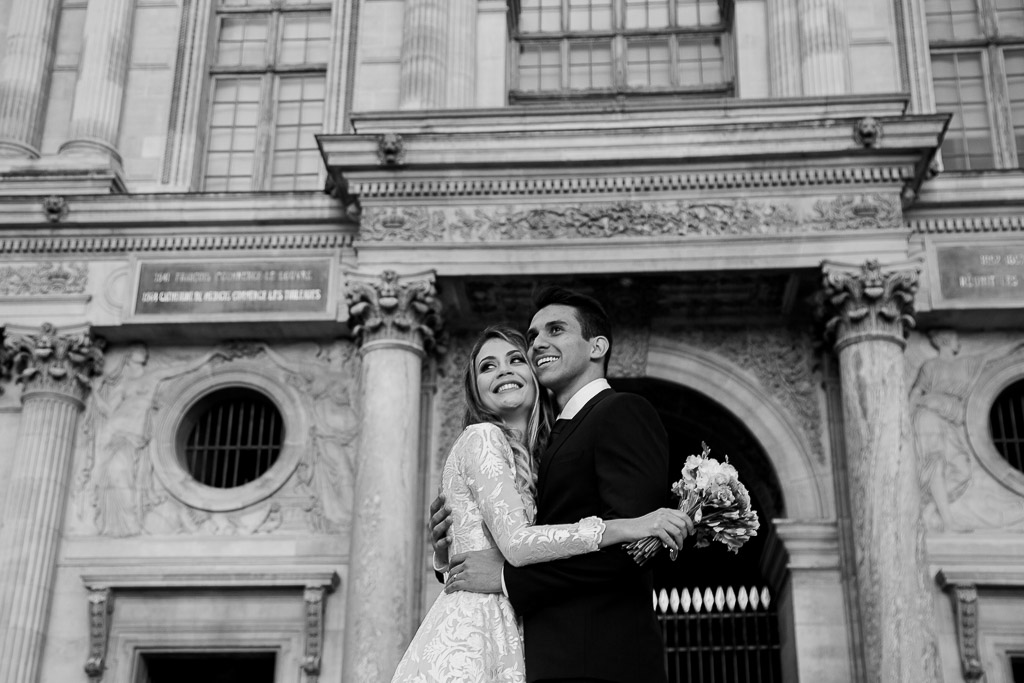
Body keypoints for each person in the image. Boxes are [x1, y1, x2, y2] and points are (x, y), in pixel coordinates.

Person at [393, 324, 691, 682]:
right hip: (479, 629)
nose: (503, 370)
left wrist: (446, 554)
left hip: (520, 626)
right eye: (487, 367)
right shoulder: (483, 437)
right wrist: (629, 525)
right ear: (475, 391)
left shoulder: (537, 459)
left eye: (515, 360)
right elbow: (517, 545)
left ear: (535, 376)